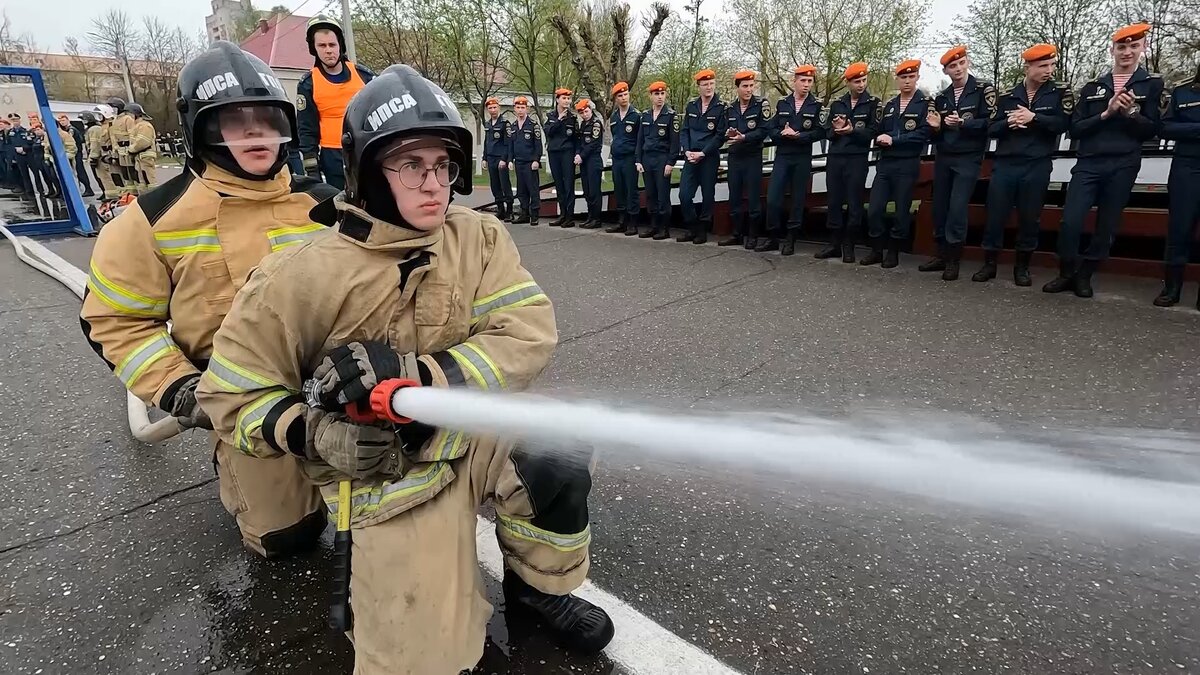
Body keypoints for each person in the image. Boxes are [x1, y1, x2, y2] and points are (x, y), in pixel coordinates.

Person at [195, 64, 615, 674]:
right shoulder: (298, 277)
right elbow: (229, 395)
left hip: (467, 434)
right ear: (368, 171)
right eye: (411, 165)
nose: (434, 185)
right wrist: (316, 433)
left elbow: (527, 332)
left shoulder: (478, 238)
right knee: (430, 661)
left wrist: (425, 378)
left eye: (444, 165)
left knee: (559, 444)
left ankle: (538, 588)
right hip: (385, 478)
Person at [79, 41, 337, 560]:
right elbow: (115, 320)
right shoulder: (153, 219)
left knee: (390, 502)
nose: (256, 135)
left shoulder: (324, 202)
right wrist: (183, 391)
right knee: (288, 536)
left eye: (267, 121)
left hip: (334, 383)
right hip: (241, 400)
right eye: (235, 123)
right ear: (200, 130)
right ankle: (235, 464)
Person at [1044, 23, 1164, 298]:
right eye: (1121, 47)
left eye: (1134, 46)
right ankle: (1066, 272)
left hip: (1124, 163)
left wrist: (1131, 113)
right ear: (1112, 50)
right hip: (1089, 162)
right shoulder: (1093, 87)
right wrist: (1106, 114)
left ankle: (1085, 275)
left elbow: (1153, 130)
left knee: (1106, 225)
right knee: (1070, 221)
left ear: (1143, 48)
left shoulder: (1152, 85)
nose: (1127, 52)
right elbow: (1076, 129)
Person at [971, 44, 1072, 286]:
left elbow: (1063, 124)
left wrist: (1034, 118)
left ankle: (1022, 267)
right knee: (995, 215)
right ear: (1027, 67)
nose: (1049, 70)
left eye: (1051, 65)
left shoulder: (1059, 92)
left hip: (1037, 164)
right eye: (1043, 66)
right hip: (1006, 164)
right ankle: (989, 264)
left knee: (1030, 217)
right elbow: (991, 128)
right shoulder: (1007, 95)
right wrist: (1009, 123)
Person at [922, 46, 996, 280]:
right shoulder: (942, 97)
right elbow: (934, 134)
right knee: (940, 207)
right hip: (945, 156)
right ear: (946, 71)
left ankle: (954, 259)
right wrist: (936, 128)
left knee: (957, 208)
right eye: (953, 66)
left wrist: (964, 124)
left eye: (962, 63)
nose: (958, 69)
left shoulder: (983, 90)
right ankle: (941, 254)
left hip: (968, 157)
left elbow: (991, 123)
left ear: (968, 63)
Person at [862, 59, 932, 268]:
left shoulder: (925, 104)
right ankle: (876, 249)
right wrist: (877, 137)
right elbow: (878, 130)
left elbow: (923, 134)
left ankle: (893, 251)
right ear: (897, 79)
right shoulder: (890, 105)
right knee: (875, 209)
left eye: (911, 77)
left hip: (907, 163)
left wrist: (895, 139)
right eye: (903, 77)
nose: (907, 81)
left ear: (917, 78)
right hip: (886, 163)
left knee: (901, 211)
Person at [297, 14, 375, 189]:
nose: (328, 50)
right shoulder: (308, 84)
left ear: (340, 45)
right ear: (314, 48)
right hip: (332, 158)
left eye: (332, 45)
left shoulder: (364, 76)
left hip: (364, 151)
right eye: (322, 45)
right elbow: (306, 130)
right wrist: (312, 169)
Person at [821, 63, 882, 263]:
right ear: (848, 83)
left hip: (857, 158)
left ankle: (849, 245)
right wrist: (836, 129)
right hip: (836, 158)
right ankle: (834, 244)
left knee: (855, 203)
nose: (861, 84)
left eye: (863, 80)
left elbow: (873, 131)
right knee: (834, 201)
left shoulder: (873, 103)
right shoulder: (838, 103)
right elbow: (827, 132)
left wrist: (852, 131)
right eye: (856, 81)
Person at [767, 64, 826, 256]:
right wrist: (782, 134)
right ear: (794, 81)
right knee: (773, 198)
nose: (806, 84)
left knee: (797, 199)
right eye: (803, 80)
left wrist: (799, 136)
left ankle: (791, 239)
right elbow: (771, 129)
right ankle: (773, 237)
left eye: (809, 81)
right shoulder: (783, 103)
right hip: (783, 156)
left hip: (802, 156)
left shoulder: (816, 105)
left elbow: (820, 131)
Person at [1155, 69, 1200, 308]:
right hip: (1187, 166)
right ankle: (1172, 288)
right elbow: (1165, 127)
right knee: (1179, 228)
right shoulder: (1182, 92)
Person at [721, 70, 770, 250]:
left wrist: (745, 137)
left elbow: (764, 130)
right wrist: (728, 134)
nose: (749, 89)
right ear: (738, 88)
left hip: (752, 156)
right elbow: (723, 131)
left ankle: (753, 235)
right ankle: (737, 234)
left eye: (751, 86)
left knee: (753, 198)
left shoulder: (761, 105)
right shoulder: (730, 108)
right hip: (735, 157)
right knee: (734, 196)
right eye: (745, 86)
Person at [678, 68, 727, 244]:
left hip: (709, 157)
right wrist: (686, 150)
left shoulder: (721, 107)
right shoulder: (692, 105)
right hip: (691, 156)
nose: (709, 87)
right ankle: (692, 226)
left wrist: (703, 153)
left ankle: (702, 230)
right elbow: (684, 131)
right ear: (698, 86)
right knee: (684, 194)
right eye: (705, 84)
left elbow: (720, 136)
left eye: (711, 83)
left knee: (708, 195)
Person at [635, 80, 679, 240]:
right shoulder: (645, 115)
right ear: (651, 96)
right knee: (650, 194)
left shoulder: (671, 116)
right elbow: (640, 139)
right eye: (656, 94)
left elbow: (675, 142)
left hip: (662, 158)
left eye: (662, 93)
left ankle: (664, 228)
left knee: (662, 195)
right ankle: (653, 226)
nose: (660, 97)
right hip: (647, 158)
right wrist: (638, 160)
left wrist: (670, 162)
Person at [607, 81, 641, 234]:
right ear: (616, 98)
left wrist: (638, 159)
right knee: (619, 189)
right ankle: (622, 221)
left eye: (625, 94)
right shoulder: (614, 117)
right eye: (620, 96)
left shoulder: (636, 115)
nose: (623, 98)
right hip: (617, 158)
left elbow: (640, 139)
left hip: (630, 158)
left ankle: (633, 223)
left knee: (631, 190)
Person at [545, 87, 579, 227]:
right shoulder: (551, 116)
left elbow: (576, 138)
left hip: (567, 153)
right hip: (554, 153)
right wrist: (559, 120)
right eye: (563, 98)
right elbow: (549, 132)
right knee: (559, 184)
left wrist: (577, 154)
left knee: (568, 185)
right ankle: (562, 214)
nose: (566, 101)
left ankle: (569, 217)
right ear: (557, 100)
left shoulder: (573, 118)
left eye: (568, 98)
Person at [508, 95, 543, 225]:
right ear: (514, 109)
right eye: (518, 107)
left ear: (527, 109)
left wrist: (536, 160)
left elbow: (538, 145)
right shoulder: (513, 126)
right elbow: (510, 145)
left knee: (532, 189)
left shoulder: (533, 125)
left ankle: (535, 214)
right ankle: (524, 214)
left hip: (530, 162)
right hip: (519, 162)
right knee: (521, 189)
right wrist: (510, 160)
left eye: (523, 107)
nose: (520, 110)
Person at [482, 96, 514, 222]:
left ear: (499, 108)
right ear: (487, 110)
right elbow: (486, 142)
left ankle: (509, 211)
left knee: (505, 184)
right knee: (495, 185)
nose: (493, 110)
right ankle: (500, 209)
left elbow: (508, 143)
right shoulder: (488, 123)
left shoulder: (505, 123)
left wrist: (504, 159)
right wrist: (484, 158)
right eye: (490, 108)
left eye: (495, 107)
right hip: (491, 158)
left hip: (501, 159)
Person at [574, 99, 604, 228]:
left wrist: (581, 155)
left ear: (590, 110)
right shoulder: (583, 124)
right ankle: (590, 217)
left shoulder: (596, 123)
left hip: (593, 160)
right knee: (587, 190)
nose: (585, 114)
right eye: (582, 113)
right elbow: (580, 142)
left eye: (586, 111)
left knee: (594, 191)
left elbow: (593, 144)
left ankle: (596, 219)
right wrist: (577, 154)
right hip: (584, 161)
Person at [82, 111, 120, 200]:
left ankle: (111, 196)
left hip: (100, 157)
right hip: (102, 156)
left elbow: (94, 144)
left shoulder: (94, 129)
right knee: (103, 177)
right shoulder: (97, 128)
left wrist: (93, 157)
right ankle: (108, 194)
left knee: (105, 177)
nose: (83, 121)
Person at [59, 113, 95, 198]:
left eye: (63, 120)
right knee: (76, 172)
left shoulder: (71, 130)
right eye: (60, 121)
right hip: (73, 152)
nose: (62, 122)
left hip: (76, 153)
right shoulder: (66, 130)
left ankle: (88, 188)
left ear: (68, 120)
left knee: (79, 171)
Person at [126, 103, 157, 194]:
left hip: (145, 157)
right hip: (139, 158)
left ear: (135, 114)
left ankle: (154, 197)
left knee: (149, 180)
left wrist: (131, 149)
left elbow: (142, 142)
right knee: (142, 181)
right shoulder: (137, 126)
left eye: (129, 114)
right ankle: (144, 197)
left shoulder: (144, 126)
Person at [108, 97, 137, 194]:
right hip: (120, 150)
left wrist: (132, 149)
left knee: (132, 171)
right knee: (125, 173)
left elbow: (132, 134)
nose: (112, 110)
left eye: (114, 107)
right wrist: (115, 151)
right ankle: (129, 192)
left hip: (128, 148)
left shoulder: (127, 119)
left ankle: (135, 192)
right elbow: (113, 137)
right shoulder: (115, 120)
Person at [7, 113, 34, 196]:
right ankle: (28, 191)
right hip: (18, 155)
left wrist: (24, 149)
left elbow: (30, 142)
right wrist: (15, 151)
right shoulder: (10, 132)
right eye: (13, 121)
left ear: (19, 120)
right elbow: (9, 144)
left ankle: (39, 189)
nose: (15, 122)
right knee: (24, 174)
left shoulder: (26, 131)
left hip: (28, 154)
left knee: (34, 173)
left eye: (17, 120)